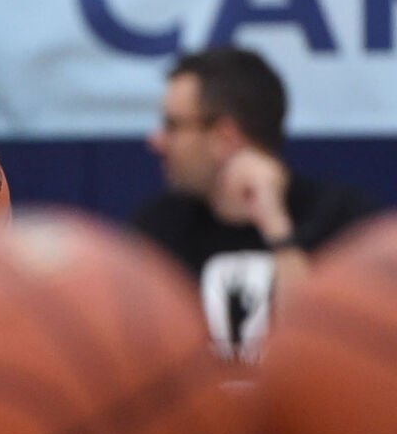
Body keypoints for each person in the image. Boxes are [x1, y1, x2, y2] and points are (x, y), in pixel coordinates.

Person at [134, 48, 375, 360]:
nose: (155, 140)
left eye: (173, 126)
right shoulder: (156, 232)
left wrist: (276, 227)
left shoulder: (344, 224)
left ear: (225, 137)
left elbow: (326, 355)